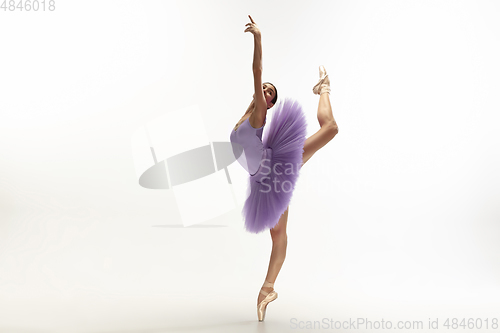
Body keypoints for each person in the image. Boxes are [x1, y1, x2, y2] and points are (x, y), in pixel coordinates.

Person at [229, 15, 339, 322]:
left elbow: (257, 70)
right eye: (264, 89)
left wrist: (258, 37)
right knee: (279, 236)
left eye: (270, 94)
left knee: (330, 128)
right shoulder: (244, 118)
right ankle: (267, 290)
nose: (265, 92)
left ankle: (324, 89)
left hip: (275, 165)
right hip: (264, 184)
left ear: (270, 105)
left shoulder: (258, 116)